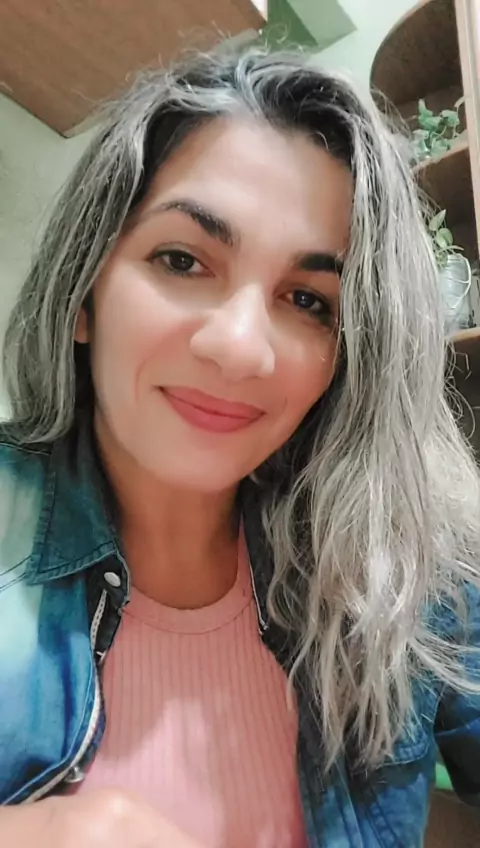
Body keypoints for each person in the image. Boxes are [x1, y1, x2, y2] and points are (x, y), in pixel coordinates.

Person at [1, 43, 480, 848]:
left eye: (308, 300)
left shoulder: (413, 567)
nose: (240, 348)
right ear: (85, 293)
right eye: (182, 260)